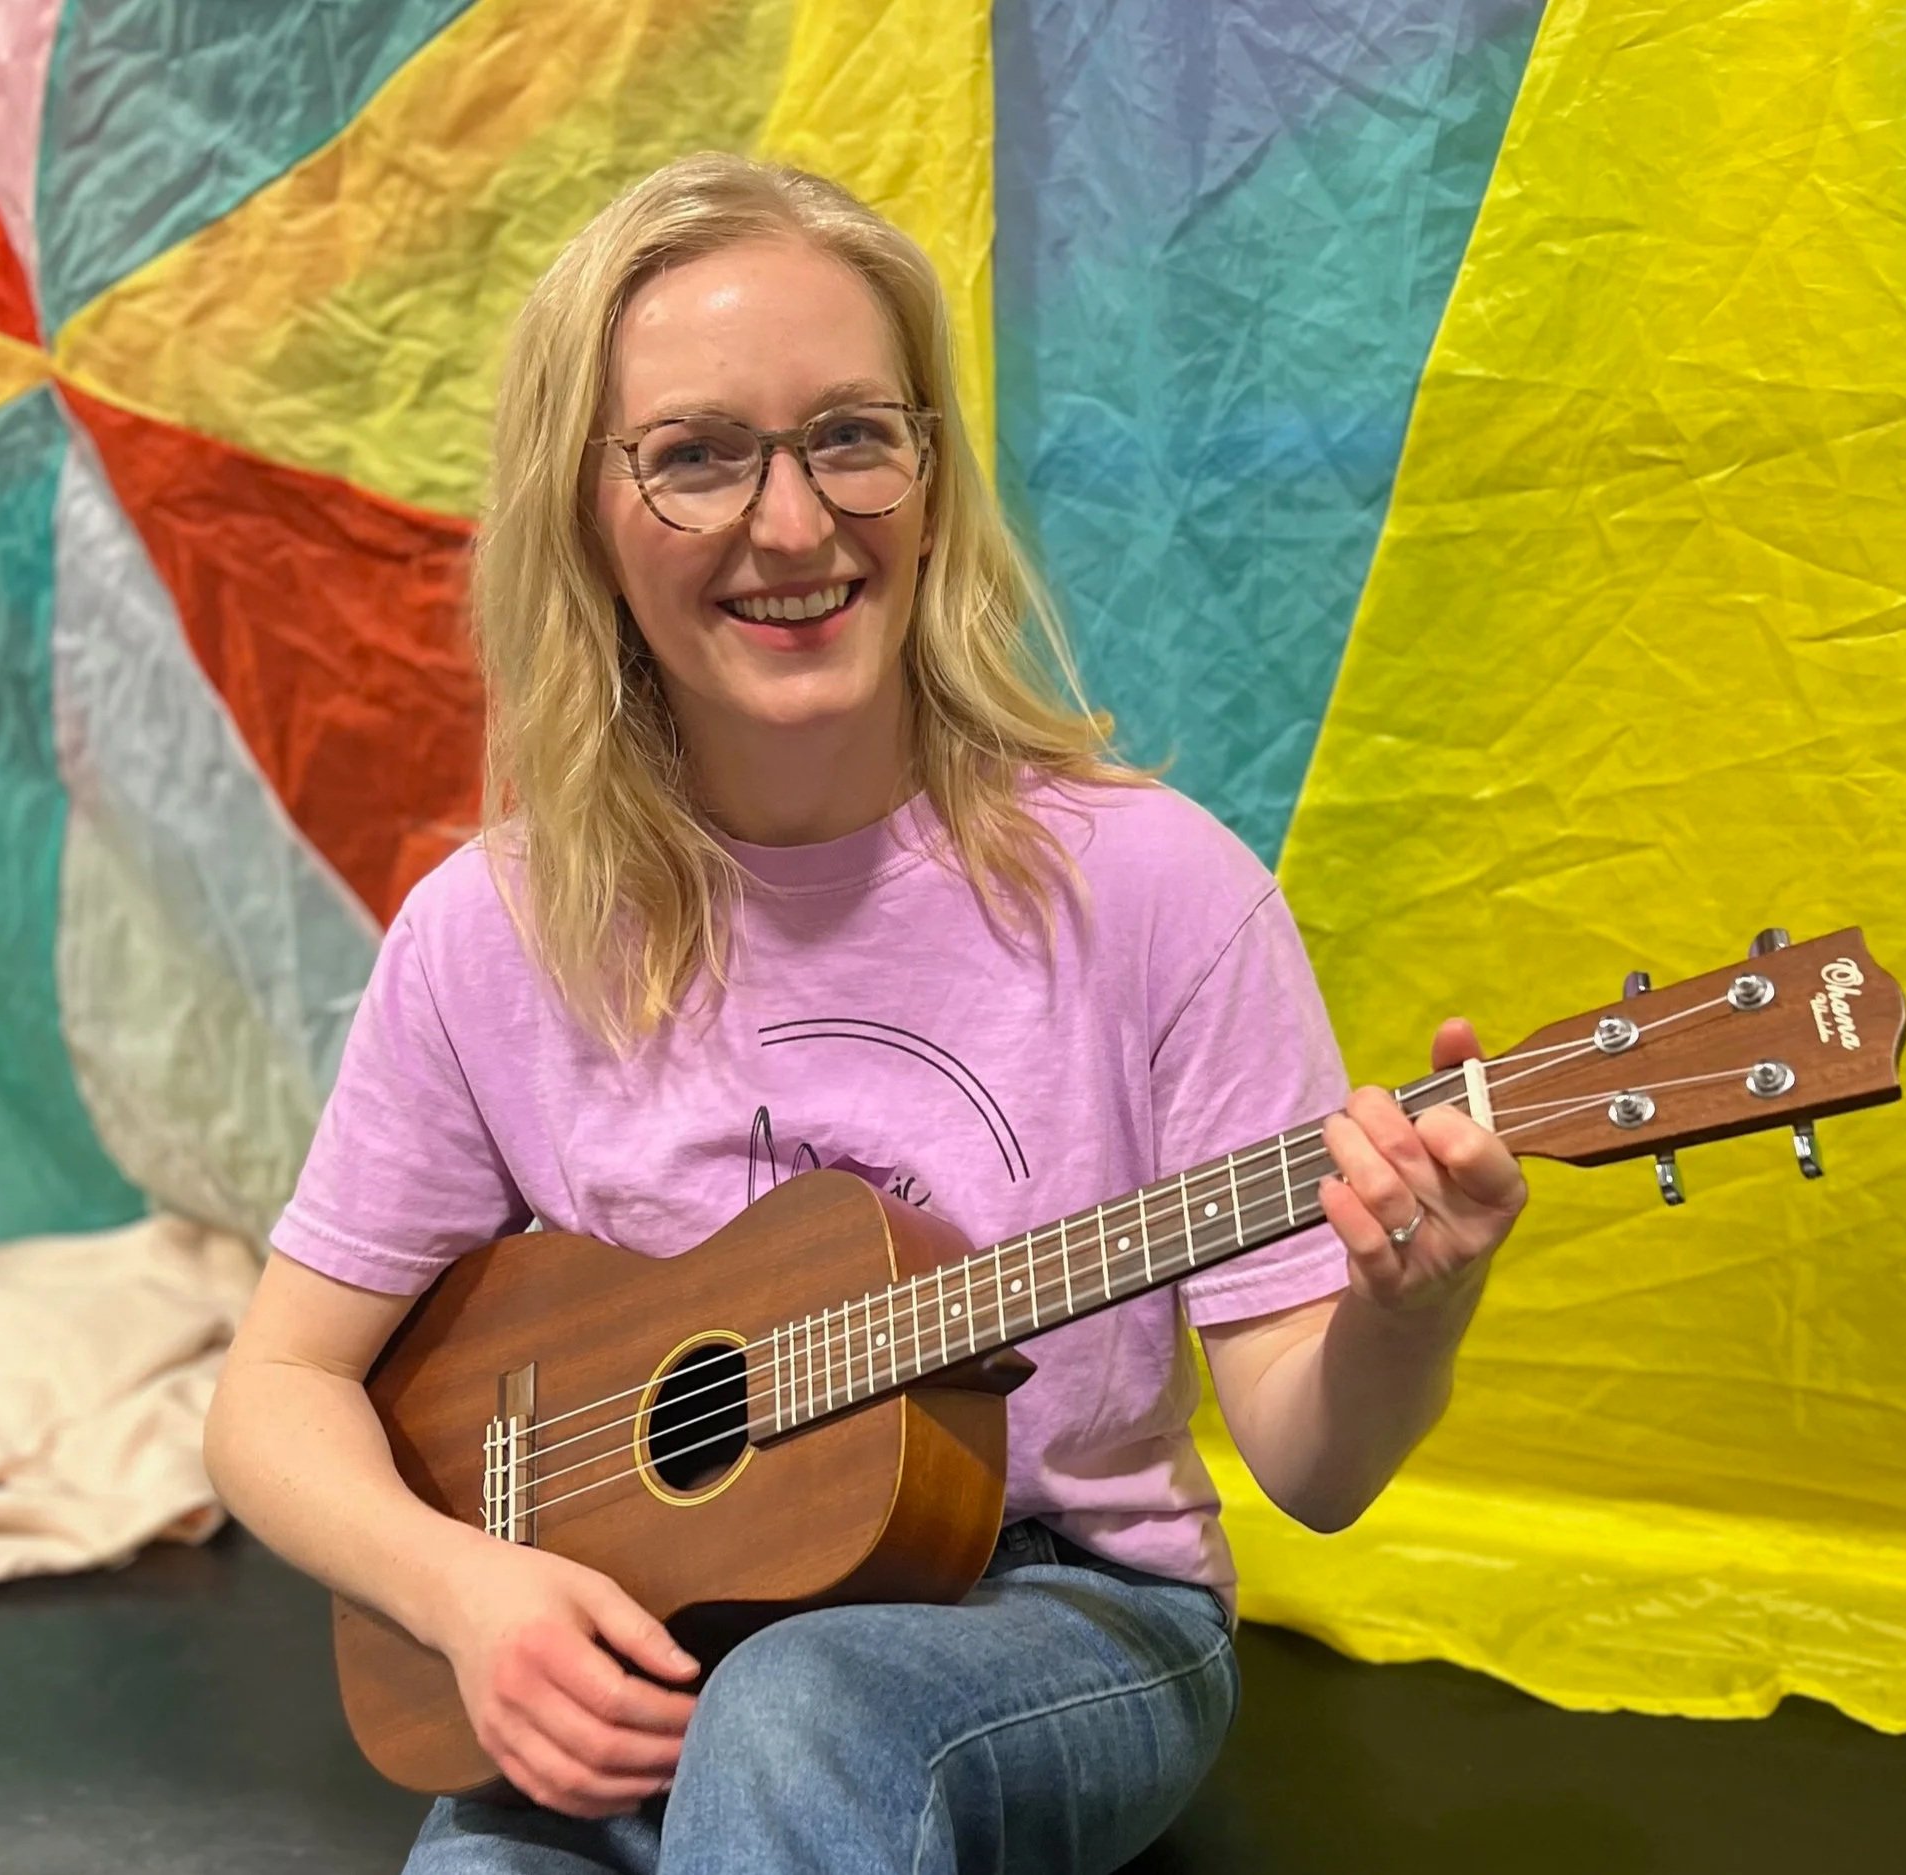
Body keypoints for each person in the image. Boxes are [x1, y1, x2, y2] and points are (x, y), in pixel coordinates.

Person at [202, 151, 1528, 1875]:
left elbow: (1314, 1462)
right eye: (693, 456)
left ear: (930, 469)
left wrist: (1410, 1310)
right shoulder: (490, 934)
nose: (796, 524)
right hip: (644, 1622)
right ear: (583, 514)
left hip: (1059, 1616)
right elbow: (272, 1396)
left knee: (806, 1710)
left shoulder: (1156, 892)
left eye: (851, 435)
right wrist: (472, 1593)